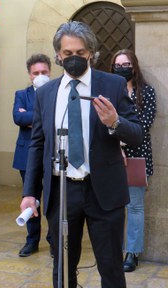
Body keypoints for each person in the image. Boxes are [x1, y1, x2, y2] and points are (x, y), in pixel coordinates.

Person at [19, 21, 143, 288]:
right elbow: (37, 144)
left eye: (80, 53)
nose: (73, 58)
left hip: (104, 193)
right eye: (67, 54)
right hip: (63, 192)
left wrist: (114, 122)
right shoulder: (46, 93)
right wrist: (29, 193)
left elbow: (136, 133)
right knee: (63, 268)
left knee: (110, 267)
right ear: (58, 55)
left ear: (91, 53)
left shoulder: (112, 85)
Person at [111, 49, 157, 272]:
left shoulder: (146, 92)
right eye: (118, 65)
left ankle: (132, 252)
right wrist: (115, 146)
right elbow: (101, 123)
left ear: (134, 66)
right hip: (111, 158)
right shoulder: (108, 92)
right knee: (113, 207)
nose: (122, 68)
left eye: (126, 64)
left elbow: (142, 126)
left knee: (135, 206)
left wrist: (121, 144)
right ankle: (113, 249)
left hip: (138, 156)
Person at [12, 53, 52, 257]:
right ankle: (32, 241)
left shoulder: (56, 91)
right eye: (36, 72)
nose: (40, 75)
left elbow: (56, 118)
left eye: (44, 72)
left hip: (52, 155)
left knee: (52, 201)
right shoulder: (21, 94)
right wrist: (43, 118)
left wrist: (31, 117)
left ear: (50, 72)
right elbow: (18, 117)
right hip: (27, 155)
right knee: (31, 198)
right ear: (30, 75)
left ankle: (54, 240)